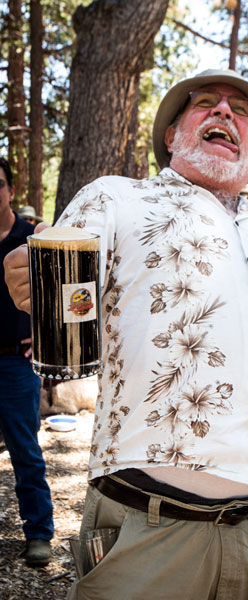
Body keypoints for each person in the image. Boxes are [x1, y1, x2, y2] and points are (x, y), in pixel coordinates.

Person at [4, 70, 248, 600]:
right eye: (205, 104)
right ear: (171, 136)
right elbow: (67, 277)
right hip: (146, 532)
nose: (224, 113)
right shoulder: (118, 201)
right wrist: (31, 275)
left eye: (241, 112)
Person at [0, 157, 54, 567]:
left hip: (16, 364)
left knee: (26, 452)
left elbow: (65, 289)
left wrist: (45, 333)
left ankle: (38, 534)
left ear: (11, 191)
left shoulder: (32, 236)